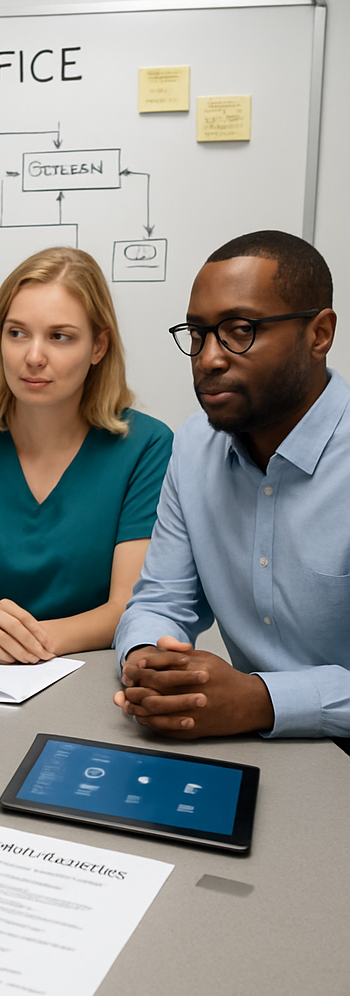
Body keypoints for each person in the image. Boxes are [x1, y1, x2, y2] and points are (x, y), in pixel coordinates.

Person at [114, 229, 349, 740]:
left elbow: (257, 700)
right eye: (197, 334)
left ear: (319, 334)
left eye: (240, 330)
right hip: (253, 751)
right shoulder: (195, 446)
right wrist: (147, 662)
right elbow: (161, 602)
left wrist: (262, 700)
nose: (209, 358)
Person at [0, 247, 172, 663]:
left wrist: (20, 641)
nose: (33, 356)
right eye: (17, 333)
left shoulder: (147, 445)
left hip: (90, 676)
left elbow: (128, 607)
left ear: (98, 346)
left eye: (59, 336)